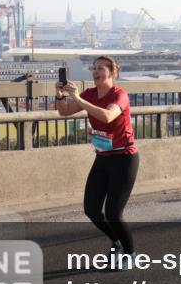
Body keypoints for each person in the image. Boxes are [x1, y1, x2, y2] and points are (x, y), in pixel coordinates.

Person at [57, 56, 140, 262]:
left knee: (113, 212)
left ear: (112, 73)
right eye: (93, 68)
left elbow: (107, 116)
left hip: (124, 158)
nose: (95, 71)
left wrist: (79, 99)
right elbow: (64, 112)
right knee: (91, 210)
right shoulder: (90, 94)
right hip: (103, 157)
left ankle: (130, 254)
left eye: (101, 68)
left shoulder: (120, 94)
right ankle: (117, 241)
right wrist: (59, 96)